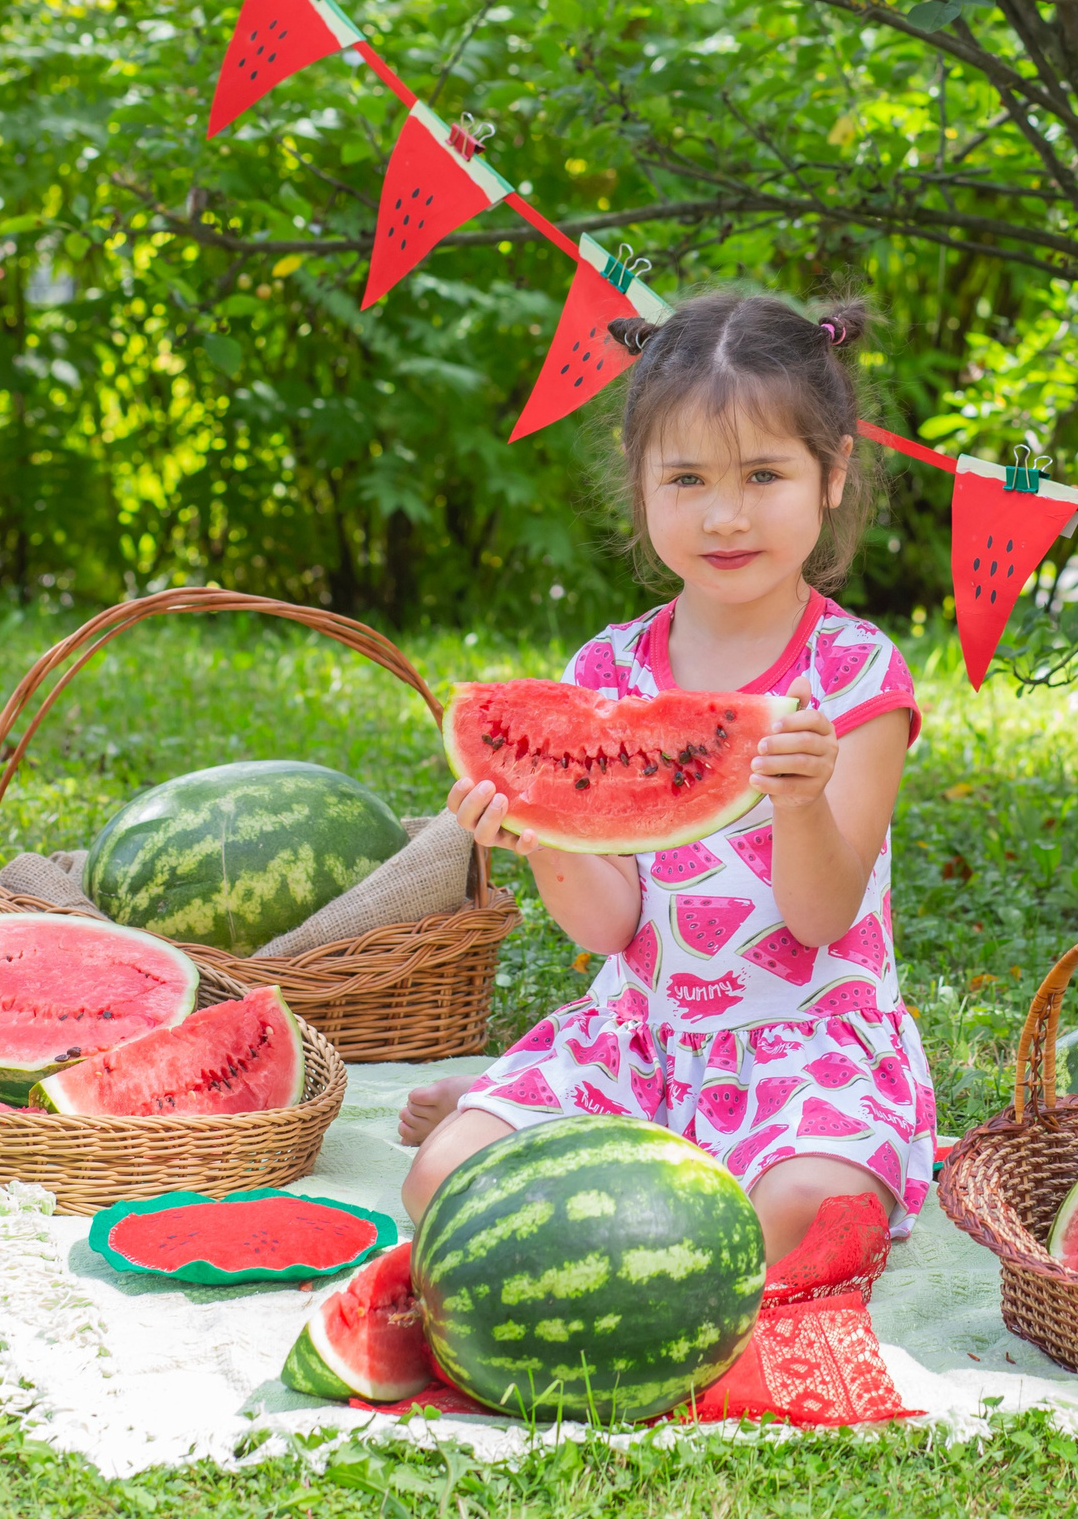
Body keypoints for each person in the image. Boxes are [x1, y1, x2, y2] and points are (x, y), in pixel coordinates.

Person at [396, 290, 935, 1263]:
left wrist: (801, 803)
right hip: (635, 1039)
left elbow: (820, 916)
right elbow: (609, 926)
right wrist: (537, 840)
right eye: (685, 478)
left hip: (801, 1044)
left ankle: (630, 1233)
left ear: (832, 472)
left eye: (763, 473)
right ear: (640, 483)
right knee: (438, 1183)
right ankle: (615, 1199)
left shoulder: (857, 677)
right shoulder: (604, 672)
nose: (724, 515)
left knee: (816, 1206)